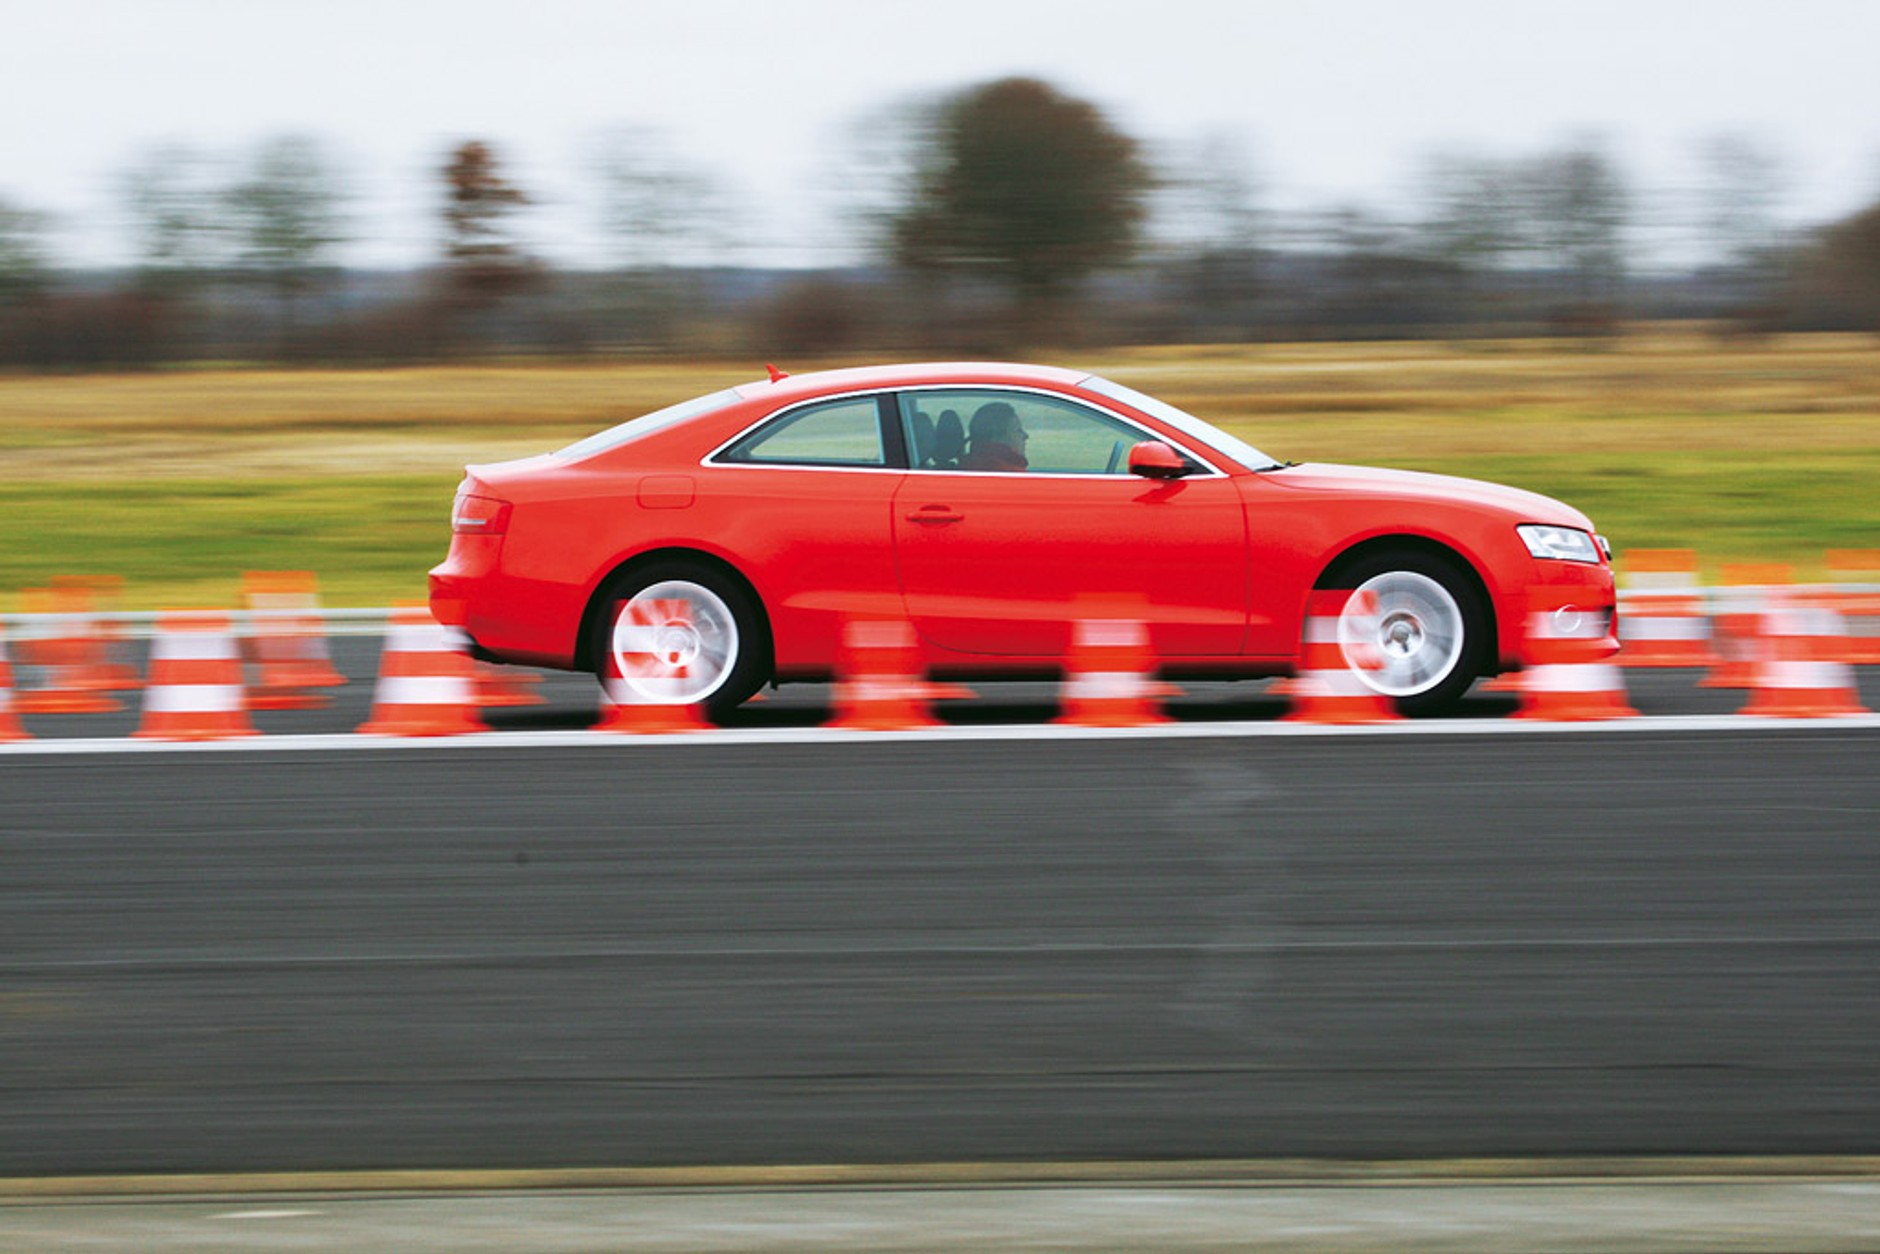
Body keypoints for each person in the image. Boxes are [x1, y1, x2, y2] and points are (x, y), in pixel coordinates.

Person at [961, 401, 1029, 472]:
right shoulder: (1007, 471)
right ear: (997, 437)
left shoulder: (969, 464)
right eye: (1018, 430)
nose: (1026, 436)